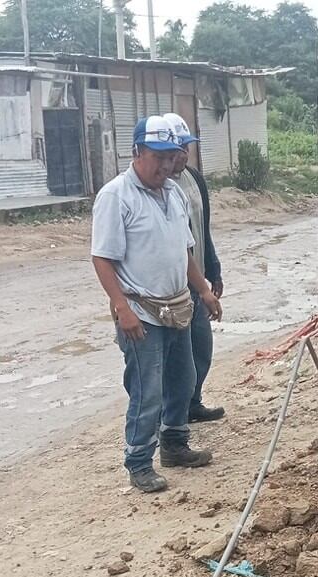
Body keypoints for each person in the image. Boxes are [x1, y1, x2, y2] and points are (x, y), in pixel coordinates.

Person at [91, 116, 222, 493]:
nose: (166, 165)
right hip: (141, 311)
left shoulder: (174, 192)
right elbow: (102, 258)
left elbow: (185, 250)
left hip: (178, 304)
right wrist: (121, 307)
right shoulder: (116, 196)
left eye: (171, 157)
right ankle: (138, 461)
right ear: (137, 152)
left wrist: (204, 291)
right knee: (147, 389)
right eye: (158, 157)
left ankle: (175, 445)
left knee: (183, 378)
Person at [163, 112, 225, 423]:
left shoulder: (194, 178)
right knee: (180, 356)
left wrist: (213, 269)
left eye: (187, 147)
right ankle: (174, 412)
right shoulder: (160, 189)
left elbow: (203, 228)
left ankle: (192, 401)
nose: (184, 154)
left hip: (197, 278)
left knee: (201, 348)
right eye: (178, 148)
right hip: (177, 286)